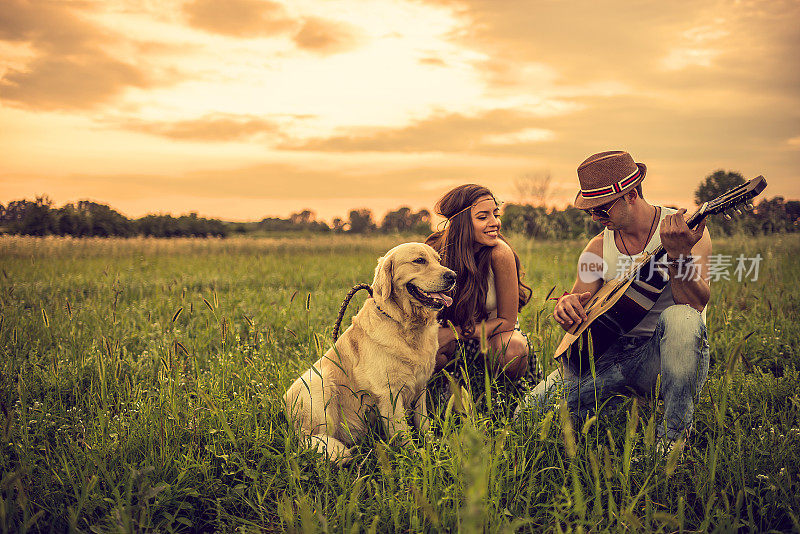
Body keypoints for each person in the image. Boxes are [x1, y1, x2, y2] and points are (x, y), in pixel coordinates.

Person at [518, 150, 711, 451]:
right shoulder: (596, 249)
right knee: (527, 415)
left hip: (660, 356)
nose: (595, 218)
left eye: (602, 210)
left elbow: (695, 306)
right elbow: (579, 305)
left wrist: (679, 256)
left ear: (631, 195)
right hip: (607, 356)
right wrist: (566, 308)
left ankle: (672, 441)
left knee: (682, 319)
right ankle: (614, 401)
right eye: (590, 211)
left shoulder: (686, 232)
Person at [425, 184, 540, 415]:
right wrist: (437, 335)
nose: (495, 222)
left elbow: (507, 321)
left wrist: (457, 332)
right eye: (483, 216)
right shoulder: (435, 251)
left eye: (495, 214)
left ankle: (504, 398)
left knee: (512, 349)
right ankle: (440, 394)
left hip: (495, 333)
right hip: (454, 335)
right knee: (430, 350)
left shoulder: (500, 253)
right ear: (462, 223)